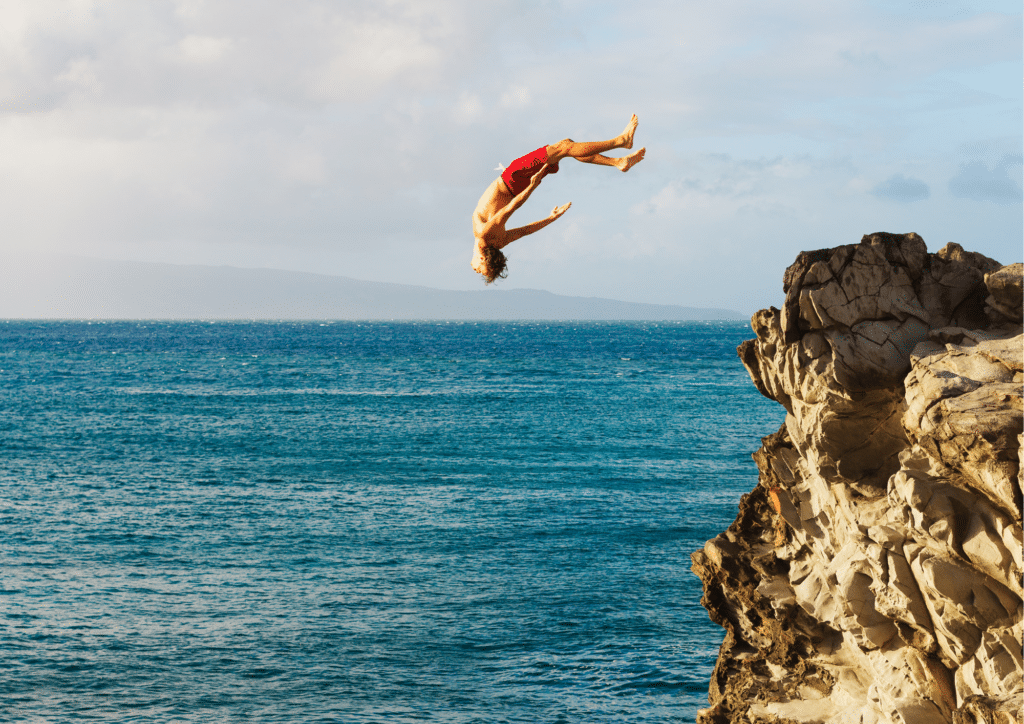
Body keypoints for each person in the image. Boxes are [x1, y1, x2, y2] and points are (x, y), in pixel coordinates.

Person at [470, 114, 646, 283]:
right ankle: (621, 141)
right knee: (565, 147)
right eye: (480, 269)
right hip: (513, 179)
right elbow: (512, 209)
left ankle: (618, 162)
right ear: (483, 255)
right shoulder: (485, 235)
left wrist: (551, 218)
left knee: (566, 149)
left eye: (479, 270)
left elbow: (525, 231)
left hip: (516, 186)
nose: (476, 270)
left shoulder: (498, 242)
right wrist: (533, 185)